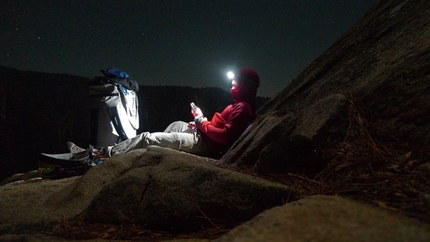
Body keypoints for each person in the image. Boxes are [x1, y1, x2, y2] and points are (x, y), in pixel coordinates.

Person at [69, 68, 260, 159]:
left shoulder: (243, 108)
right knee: (176, 125)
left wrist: (201, 122)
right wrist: (200, 123)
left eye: (236, 81)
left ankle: (99, 153)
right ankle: (148, 155)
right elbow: (220, 128)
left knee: (147, 138)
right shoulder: (238, 105)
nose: (232, 83)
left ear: (246, 86)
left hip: (204, 144)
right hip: (202, 135)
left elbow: (225, 137)